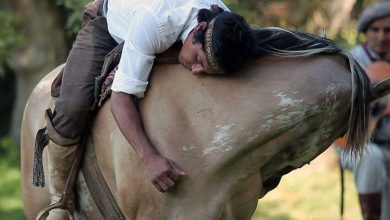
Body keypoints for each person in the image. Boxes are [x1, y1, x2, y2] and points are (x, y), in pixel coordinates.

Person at [35, 0, 349, 219]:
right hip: (109, 21)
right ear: (198, 31)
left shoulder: (222, 21)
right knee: (72, 106)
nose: (197, 70)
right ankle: (58, 202)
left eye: (206, 69)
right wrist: (150, 157)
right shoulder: (155, 23)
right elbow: (121, 99)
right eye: (198, 60)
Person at [336, 2, 390, 220]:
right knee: (372, 158)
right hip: (353, 142)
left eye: (388, 30)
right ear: (365, 32)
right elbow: (337, 105)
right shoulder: (352, 59)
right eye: (375, 30)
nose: (381, 36)